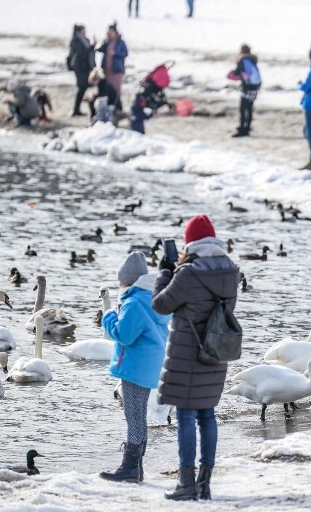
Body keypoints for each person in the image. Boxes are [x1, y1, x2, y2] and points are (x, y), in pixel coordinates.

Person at [153, 215, 239, 501]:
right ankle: (205, 483)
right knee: (207, 415)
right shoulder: (230, 270)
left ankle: (186, 483)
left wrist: (166, 271)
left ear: (191, 242)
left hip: (187, 354)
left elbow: (161, 304)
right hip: (216, 353)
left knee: (186, 416)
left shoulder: (188, 273)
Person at [99, 252, 169, 484]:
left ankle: (129, 467)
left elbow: (123, 335)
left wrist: (108, 317)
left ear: (126, 280)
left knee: (134, 417)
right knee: (139, 415)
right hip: (148, 366)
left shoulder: (133, 302)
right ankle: (136, 467)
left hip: (133, 366)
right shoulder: (153, 300)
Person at [227, 44, 262, 138]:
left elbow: (237, 72)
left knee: (243, 109)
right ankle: (248, 127)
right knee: (249, 108)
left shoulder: (243, 59)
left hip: (247, 87)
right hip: (255, 87)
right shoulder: (253, 59)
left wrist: (233, 73)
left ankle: (243, 129)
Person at [68, 24, 96, 117]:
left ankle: (76, 109)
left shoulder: (82, 40)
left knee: (82, 88)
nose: (85, 32)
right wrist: (92, 46)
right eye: (84, 30)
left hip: (83, 68)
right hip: (80, 68)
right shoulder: (77, 41)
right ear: (80, 31)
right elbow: (82, 54)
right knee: (82, 87)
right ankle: (76, 109)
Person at [97, 23, 128, 103]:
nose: (109, 33)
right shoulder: (106, 41)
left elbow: (125, 53)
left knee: (116, 89)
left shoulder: (120, 42)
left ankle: (117, 106)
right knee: (106, 89)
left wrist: (115, 53)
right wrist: (105, 41)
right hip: (106, 70)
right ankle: (107, 106)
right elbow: (99, 49)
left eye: (111, 32)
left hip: (116, 70)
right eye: (108, 32)